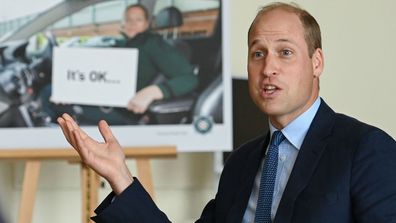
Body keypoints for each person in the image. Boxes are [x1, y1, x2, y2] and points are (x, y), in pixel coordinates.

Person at [57, 2, 396, 223]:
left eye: (285, 52)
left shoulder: (365, 149)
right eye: (258, 54)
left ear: (317, 62)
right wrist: (119, 176)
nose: (269, 68)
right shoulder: (241, 164)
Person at [41, 4, 198, 125]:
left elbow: (189, 78)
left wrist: (152, 92)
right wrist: (70, 88)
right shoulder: (122, 44)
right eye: (128, 19)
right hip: (100, 97)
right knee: (51, 92)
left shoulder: (153, 44)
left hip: (124, 110)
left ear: (147, 24)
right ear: (122, 23)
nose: (132, 23)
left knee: (47, 96)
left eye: (138, 20)